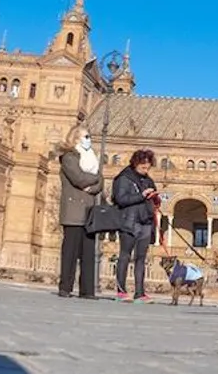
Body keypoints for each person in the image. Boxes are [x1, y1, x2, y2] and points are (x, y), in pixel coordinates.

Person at [56, 129, 102, 297]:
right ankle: (65, 287)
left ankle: (87, 290)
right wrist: (93, 179)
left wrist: (94, 182)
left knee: (88, 252)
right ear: (76, 138)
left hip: (88, 210)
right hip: (73, 210)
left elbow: (100, 181)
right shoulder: (69, 157)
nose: (89, 139)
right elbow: (78, 178)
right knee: (70, 252)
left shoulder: (92, 158)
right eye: (86, 136)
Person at [110, 150, 160, 302]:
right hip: (129, 221)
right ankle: (121, 291)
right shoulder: (124, 178)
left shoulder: (148, 180)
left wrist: (155, 198)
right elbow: (120, 199)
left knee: (141, 258)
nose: (146, 170)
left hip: (145, 221)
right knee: (125, 255)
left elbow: (151, 198)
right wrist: (141, 195)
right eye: (143, 167)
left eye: (148, 167)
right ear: (136, 163)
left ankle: (140, 292)